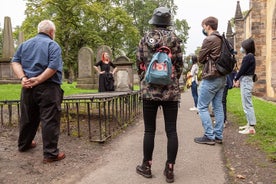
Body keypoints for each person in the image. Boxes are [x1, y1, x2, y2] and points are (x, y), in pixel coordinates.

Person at [135, 7, 183, 183]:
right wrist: (172, 80)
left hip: (149, 91)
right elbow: (179, 64)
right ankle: (170, 169)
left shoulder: (144, 39)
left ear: (154, 21)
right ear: (168, 22)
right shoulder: (175, 40)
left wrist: (146, 80)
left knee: (149, 130)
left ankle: (146, 166)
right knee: (172, 130)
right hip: (170, 92)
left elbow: (139, 62)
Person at [11, 20, 65, 163]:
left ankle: (24, 144)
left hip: (27, 87)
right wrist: (39, 79)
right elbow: (53, 66)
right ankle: (50, 154)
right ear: (51, 32)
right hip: (48, 87)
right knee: (49, 119)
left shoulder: (24, 44)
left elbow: (15, 61)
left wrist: (23, 78)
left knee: (27, 117)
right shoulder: (53, 45)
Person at [194, 16, 226, 145]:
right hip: (222, 77)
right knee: (218, 107)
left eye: (203, 26)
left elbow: (200, 59)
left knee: (202, 106)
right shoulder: (222, 39)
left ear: (208, 26)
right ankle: (218, 135)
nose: (203, 28)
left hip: (211, 77)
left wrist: (206, 56)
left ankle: (209, 135)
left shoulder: (209, 39)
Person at [233, 38, 257, 134]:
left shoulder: (248, 57)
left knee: (247, 104)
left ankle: (251, 127)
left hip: (246, 80)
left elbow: (242, 70)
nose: (241, 48)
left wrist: (236, 78)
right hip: (246, 80)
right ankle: (249, 123)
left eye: (242, 46)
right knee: (245, 103)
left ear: (246, 47)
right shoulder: (250, 56)